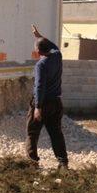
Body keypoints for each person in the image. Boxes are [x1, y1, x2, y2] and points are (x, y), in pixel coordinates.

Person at [26, 24, 68, 169]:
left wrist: (37, 107)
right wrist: (39, 35)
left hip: (43, 104)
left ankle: (33, 163)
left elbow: (39, 87)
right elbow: (54, 46)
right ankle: (63, 163)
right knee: (56, 133)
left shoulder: (41, 65)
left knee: (32, 133)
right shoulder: (57, 56)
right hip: (56, 103)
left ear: (37, 51)